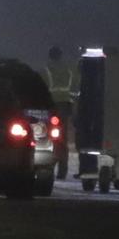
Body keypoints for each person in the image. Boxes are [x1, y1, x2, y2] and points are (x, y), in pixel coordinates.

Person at [43, 46, 77, 179]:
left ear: (50, 56)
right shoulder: (68, 70)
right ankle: (62, 170)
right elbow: (74, 88)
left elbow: (41, 88)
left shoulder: (46, 69)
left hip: (51, 106)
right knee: (62, 138)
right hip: (65, 106)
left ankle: (48, 166)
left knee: (47, 137)